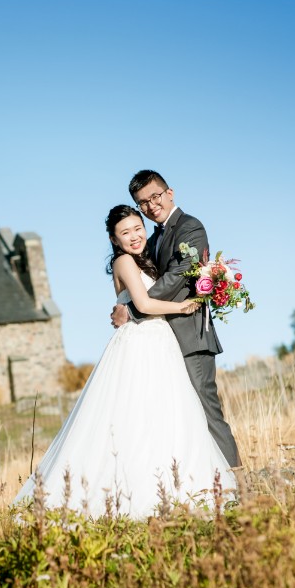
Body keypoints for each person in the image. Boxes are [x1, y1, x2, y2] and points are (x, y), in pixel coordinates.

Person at [12, 205, 236, 519]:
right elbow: (143, 303)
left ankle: (175, 486)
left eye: (137, 228)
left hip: (159, 341)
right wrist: (184, 307)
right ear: (115, 240)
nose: (134, 236)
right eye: (125, 232)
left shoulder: (149, 257)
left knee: (166, 415)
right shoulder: (124, 261)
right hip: (140, 342)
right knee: (134, 415)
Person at [111, 170, 241, 469]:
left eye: (155, 196)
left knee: (206, 412)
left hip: (190, 336)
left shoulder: (190, 227)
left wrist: (131, 309)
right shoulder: (152, 239)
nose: (151, 205)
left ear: (170, 193)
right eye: (142, 202)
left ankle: (237, 482)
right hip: (161, 342)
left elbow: (179, 275)